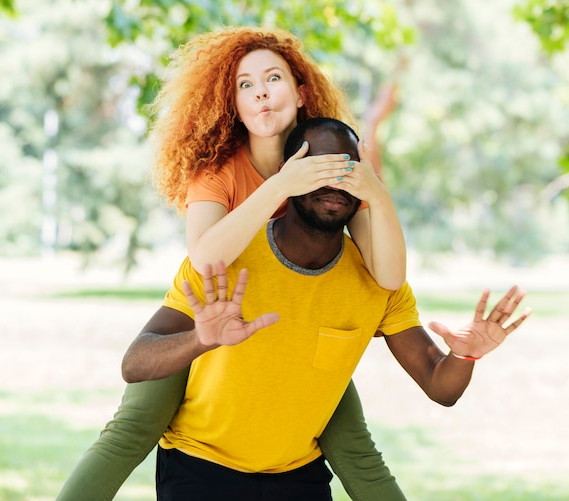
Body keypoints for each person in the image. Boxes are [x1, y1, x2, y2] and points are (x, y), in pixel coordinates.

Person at [57, 28, 407, 500]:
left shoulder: (331, 165)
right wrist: (283, 185)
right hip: (210, 321)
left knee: (357, 451)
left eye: (273, 78)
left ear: (302, 94)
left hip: (289, 334)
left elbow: (384, 273)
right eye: (245, 85)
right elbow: (203, 259)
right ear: (234, 106)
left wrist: (375, 192)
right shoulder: (218, 172)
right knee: (132, 428)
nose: (260, 92)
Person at [121, 117, 531, 500]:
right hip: (199, 471)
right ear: (288, 173)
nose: (334, 182)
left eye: (348, 170)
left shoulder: (379, 281)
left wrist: (464, 354)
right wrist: (198, 340)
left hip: (300, 477)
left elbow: (442, 388)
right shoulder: (227, 257)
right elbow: (135, 364)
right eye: (317, 167)